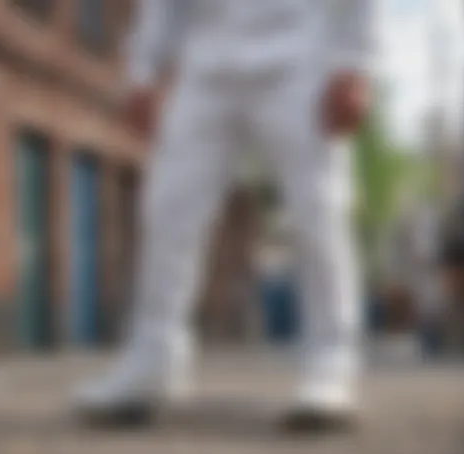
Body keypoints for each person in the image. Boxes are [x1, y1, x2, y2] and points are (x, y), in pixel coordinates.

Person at [74, 0, 373, 421]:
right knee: (168, 208)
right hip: (206, 61)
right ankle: (153, 360)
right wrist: (143, 71)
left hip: (299, 55)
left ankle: (331, 364)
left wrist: (355, 63)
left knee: (317, 211)